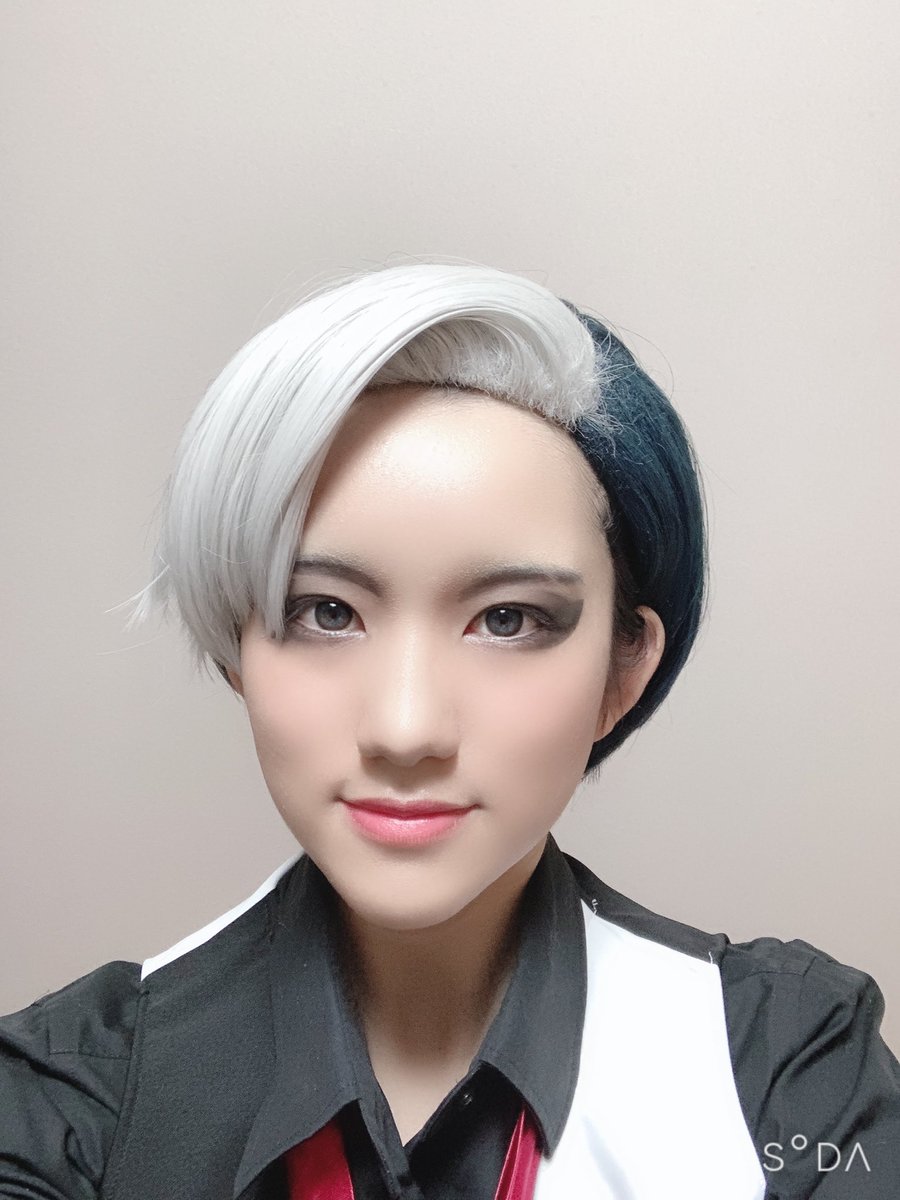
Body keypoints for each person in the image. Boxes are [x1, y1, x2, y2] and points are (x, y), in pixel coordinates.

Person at [1, 262, 898, 1200]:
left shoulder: (783, 1073)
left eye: (507, 619)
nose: (405, 728)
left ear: (621, 672)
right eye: (325, 612)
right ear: (238, 652)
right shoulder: (69, 1108)